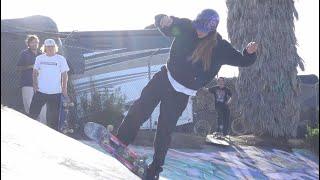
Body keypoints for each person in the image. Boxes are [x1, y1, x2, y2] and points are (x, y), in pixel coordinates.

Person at [116, 9, 258, 179]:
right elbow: (167, 26)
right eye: (198, 26)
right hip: (164, 78)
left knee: (164, 130)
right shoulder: (186, 27)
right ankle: (120, 142)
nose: (199, 31)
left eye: (204, 29)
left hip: (180, 94)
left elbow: (242, 61)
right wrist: (163, 20)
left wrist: (249, 53)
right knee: (139, 109)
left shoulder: (220, 48)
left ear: (212, 30)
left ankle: (154, 170)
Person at [29, 39, 70, 131]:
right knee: (32, 114)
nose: (50, 49)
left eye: (52, 47)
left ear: (55, 48)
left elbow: (64, 74)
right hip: (40, 91)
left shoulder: (61, 59)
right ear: (45, 48)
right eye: (48, 47)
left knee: (54, 119)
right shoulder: (39, 58)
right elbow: (35, 72)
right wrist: (35, 84)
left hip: (55, 93)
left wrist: (64, 89)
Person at [17, 35, 47, 124]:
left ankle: (44, 127)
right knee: (30, 108)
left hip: (40, 85)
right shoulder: (24, 53)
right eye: (32, 42)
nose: (35, 44)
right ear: (28, 43)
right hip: (27, 84)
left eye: (36, 42)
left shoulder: (42, 55)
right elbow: (18, 68)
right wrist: (31, 66)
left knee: (42, 109)